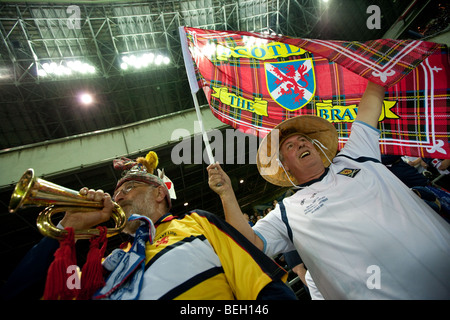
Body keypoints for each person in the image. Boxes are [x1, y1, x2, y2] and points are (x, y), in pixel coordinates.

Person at [208, 81, 450, 299]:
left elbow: (369, 108)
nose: (301, 143)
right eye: (290, 146)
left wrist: (378, 75)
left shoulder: (355, 156)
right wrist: (227, 195)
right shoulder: (287, 211)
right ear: (286, 167)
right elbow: (248, 242)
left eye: (304, 139)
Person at [1, 151, 296, 300]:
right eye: (116, 190)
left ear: (159, 194)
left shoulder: (197, 223)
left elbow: (267, 288)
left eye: (129, 187)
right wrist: (65, 230)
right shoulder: (99, 267)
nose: (117, 195)